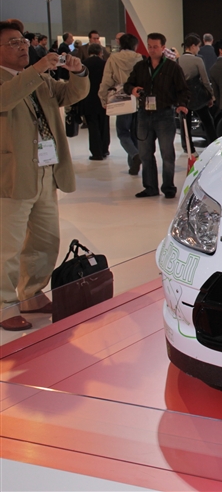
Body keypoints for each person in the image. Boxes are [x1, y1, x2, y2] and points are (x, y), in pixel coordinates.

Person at [0, 19, 88, 331]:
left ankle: (32, 293)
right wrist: (36, 70)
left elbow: (70, 94)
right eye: (13, 42)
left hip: (46, 170)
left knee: (45, 239)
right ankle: (4, 305)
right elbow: (6, 98)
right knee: (7, 246)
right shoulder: (21, 79)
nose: (22, 46)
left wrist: (79, 72)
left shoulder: (39, 80)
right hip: (12, 176)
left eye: (22, 40)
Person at [125, 32, 189, 199]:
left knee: (167, 153)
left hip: (164, 114)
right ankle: (150, 187)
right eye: (149, 46)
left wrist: (182, 104)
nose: (152, 50)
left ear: (163, 47)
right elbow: (128, 84)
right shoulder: (140, 66)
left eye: (155, 47)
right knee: (145, 153)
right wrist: (132, 89)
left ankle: (168, 187)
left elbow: (183, 89)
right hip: (144, 114)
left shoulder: (172, 68)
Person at [100, 33, 144, 175]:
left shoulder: (113, 59)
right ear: (135, 45)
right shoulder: (140, 58)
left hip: (121, 99)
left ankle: (135, 155)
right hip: (138, 98)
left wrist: (103, 98)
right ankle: (134, 165)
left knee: (123, 132)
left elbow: (107, 80)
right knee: (136, 133)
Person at [178, 34, 216, 149]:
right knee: (207, 121)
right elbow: (205, 80)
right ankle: (213, 145)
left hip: (183, 96)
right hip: (197, 96)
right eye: (198, 46)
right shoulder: (197, 60)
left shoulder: (178, 60)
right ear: (193, 46)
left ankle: (187, 146)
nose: (199, 49)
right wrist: (211, 95)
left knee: (185, 123)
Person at [81, 43, 110, 160]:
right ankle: (104, 149)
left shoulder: (83, 64)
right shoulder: (105, 64)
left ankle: (96, 152)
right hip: (103, 98)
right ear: (100, 52)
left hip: (88, 98)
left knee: (93, 126)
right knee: (104, 124)